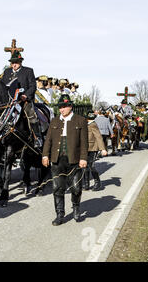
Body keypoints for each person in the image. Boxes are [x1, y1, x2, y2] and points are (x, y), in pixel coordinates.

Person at [42, 94, 88, 225]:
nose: (61, 109)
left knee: (76, 187)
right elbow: (48, 140)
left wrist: (83, 158)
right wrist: (45, 155)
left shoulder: (80, 120)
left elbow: (84, 142)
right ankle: (60, 215)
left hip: (74, 160)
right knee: (57, 188)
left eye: (64, 107)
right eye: (60, 107)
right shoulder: (55, 121)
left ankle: (76, 208)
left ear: (70, 106)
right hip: (57, 160)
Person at [0, 50, 43, 147]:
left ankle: (38, 138)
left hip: (23, 100)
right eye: (12, 62)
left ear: (20, 62)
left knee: (31, 114)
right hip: (9, 102)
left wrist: (25, 95)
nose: (14, 64)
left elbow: (33, 86)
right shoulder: (7, 72)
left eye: (16, 62)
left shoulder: (28, 71)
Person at [84, 112, 108, 191]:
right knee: (85, 166)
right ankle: (86, 184)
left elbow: (98, 137)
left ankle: (97, 182)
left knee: (92, 166)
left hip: (93, 148)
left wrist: (102, 149)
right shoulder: (87, 124)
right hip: (86, 148)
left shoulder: (93, 125)